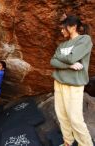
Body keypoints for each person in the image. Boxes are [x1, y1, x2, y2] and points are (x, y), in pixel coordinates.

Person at [50, 15, 93, 146]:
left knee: (75, 119)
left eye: (63, 28)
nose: (61, 31)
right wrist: (68, 65)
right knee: (62, 115)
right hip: (58, 82)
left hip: (74, 84)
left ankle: (85, 144)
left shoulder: (85, 40)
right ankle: (68, 141)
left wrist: (64, 59)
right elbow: (52, 61)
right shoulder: (62, 45)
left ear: (73, 27)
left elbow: (71, 57)